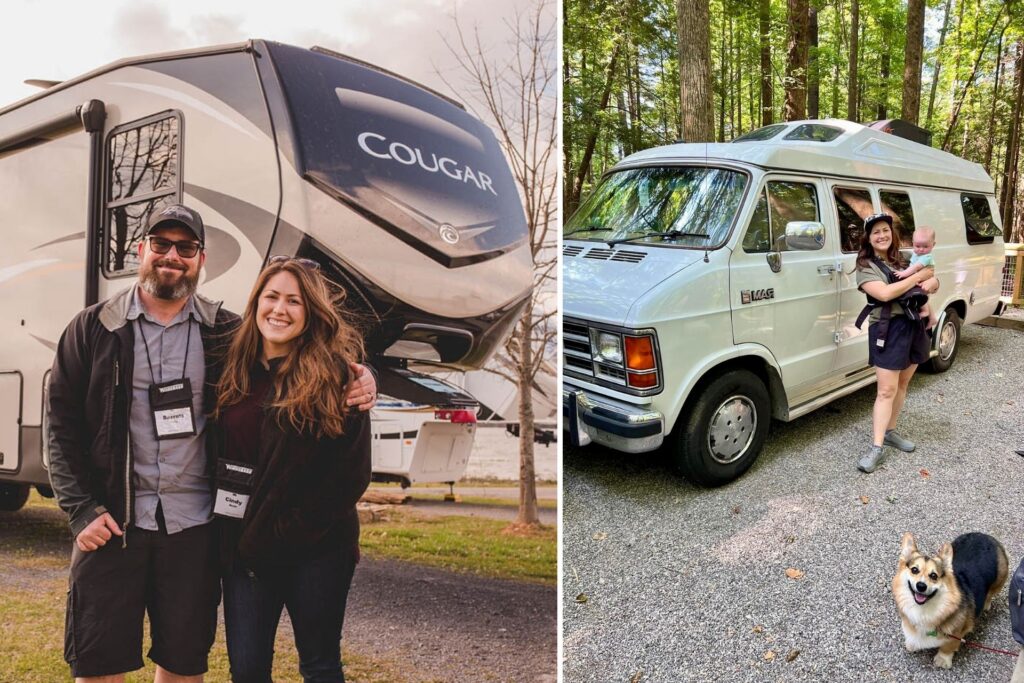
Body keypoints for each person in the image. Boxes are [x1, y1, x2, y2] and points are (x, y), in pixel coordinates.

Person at [46, 204, 377, 682]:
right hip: (114, 524)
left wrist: (365, 376)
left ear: (201, 260)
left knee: (182, 665)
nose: (171, 256)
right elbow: (60, 423)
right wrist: (80, 508)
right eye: (160, 245)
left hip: (195, 530)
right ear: (141, 251)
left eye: (186, 248)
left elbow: (297, 354)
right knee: (98, 666)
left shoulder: (225, 332)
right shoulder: (93, 328)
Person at [210, 257, 371, 682]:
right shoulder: (230, 367)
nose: (280, 309)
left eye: (294, 301)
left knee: (319, 665)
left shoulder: (337, 377)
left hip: (317, 549)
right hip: (243, 551)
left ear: (311, 312)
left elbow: (351, 476)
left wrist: (283, 534)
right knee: (246, 670)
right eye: (272, 297)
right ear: (256, 302)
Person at [853, 212, 938, 473]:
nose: (882, 235)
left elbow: (930, 278)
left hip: (913, 325)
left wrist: (933, 283)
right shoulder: (865, 266)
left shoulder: (902, 258)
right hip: (887, 329)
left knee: (903, 383)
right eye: (876, 231)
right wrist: (919, 276)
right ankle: (876, 447)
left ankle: (890, 431)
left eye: (885, 230)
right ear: (868, 237)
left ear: (892, 233)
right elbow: (886, 293)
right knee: (885, 390)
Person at [893, 226, 938, 329]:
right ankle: (932, 318)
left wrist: (903, 274)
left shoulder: (927, 257)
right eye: (917, 246)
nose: (921, 249)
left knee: (919, 295)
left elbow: (915, 267)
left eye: (925, 246)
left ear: (933, 245)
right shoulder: (915, 253)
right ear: (913, 243)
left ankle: (926, 312)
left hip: (923, 280)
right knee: (921, 295)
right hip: (920, 278)